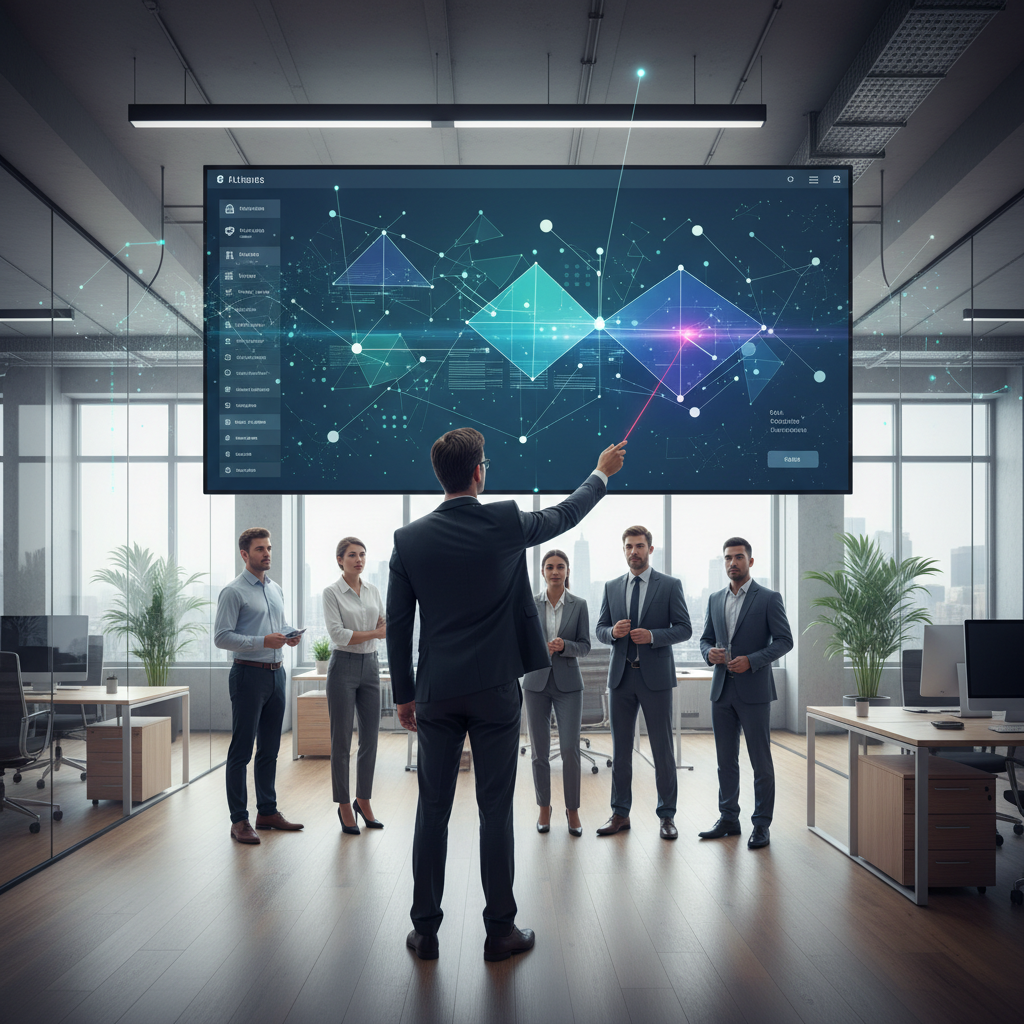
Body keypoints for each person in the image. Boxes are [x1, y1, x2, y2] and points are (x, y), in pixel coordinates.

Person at [388, 428, 626, 962]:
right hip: (496, 689)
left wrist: (405, 695)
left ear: (441, 476)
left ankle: (425, 931)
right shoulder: (504, 522)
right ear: (479, 473)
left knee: (433, 809)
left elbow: (400, 627)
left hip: (436, 692)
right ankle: (500, 932)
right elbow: (566, 515)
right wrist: (601, 473)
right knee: (495, 811)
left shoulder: (408, 540)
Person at [595, 526, 691, 840]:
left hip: (656, 678)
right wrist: (612, 633)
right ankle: (620, 814)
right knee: (621, 752)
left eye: (639, 546)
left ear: (650, 549)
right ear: (623, 550)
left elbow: (684, 629)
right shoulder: (611, 587)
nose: (633, 552)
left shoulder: (670, 585)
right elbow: (600, 629)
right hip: (621, 678)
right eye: (628, 547)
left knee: (663, 750)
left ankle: (667, 816)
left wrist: (652, 636)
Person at [698, 537, 793, 849]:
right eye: (728, 558)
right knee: (726, 761)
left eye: (739, 557)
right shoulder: (714, 599)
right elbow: (705, 638)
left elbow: (784, 641)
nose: (732, 563)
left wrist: (752, 661)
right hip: (721, 691)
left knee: (760, 761)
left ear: (750, 562)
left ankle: (761, 825)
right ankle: (729, 818)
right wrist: (708, 652)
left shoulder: (768, 598)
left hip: (754, 691)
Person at [214, 528, 304, 844]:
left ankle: (267, 811)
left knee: (270, 748)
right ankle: (239, 821)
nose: (267, 553)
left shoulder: (275, 588)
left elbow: (274, 627)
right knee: (241, 751)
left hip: (276, 674)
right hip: (248, 676)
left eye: (268, 548)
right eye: (259, 549)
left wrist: (288, 634)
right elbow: (221, 637)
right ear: (244, 554)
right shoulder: (233, 591)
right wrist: (261, 641)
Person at [522, 549, 590, 838]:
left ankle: (572, 810)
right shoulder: (529, 604)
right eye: (549, 567)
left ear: (567, 571)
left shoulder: (579, 604)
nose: (555, 571)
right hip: (535, 683)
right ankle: (544, 808)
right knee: (539, 752)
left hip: (568, 686)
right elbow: (519, 643)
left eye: (560, 566)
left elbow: (585, 645)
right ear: (542, 572)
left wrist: (566, 647)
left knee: (569, 749)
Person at [323, 536, 386, 835]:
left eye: (362, 554)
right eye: (352, 555)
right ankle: (344, 803)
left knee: (371, 739)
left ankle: (364, 798)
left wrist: (378, 631)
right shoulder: (331, 592)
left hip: (371, 666)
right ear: (340, 560)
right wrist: (375, 632)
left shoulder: (373, 590)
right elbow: (339, 635)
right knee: (341, 741)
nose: (358, 560)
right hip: (343, 667)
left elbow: (384, 622)